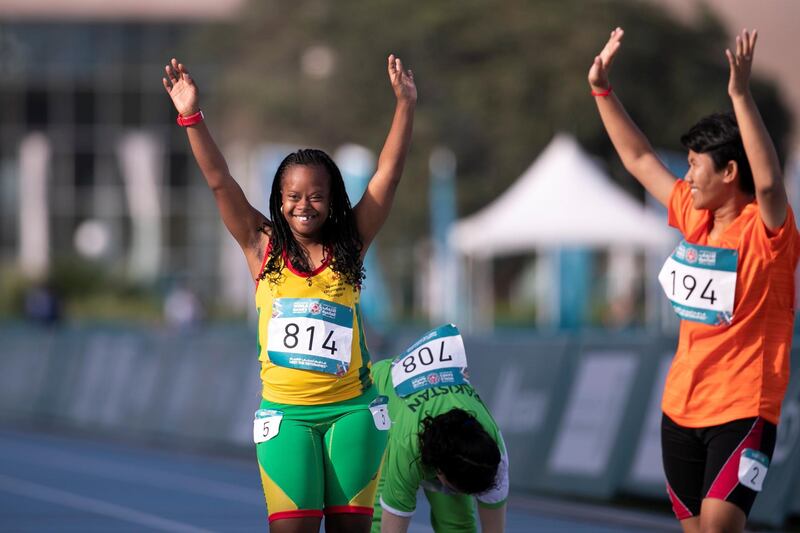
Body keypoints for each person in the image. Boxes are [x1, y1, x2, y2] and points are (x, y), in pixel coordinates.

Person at [162, 54, 416, 533]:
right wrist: (191, 116)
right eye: (294, 197)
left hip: (353, 414)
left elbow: (389, 175)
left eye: (316, 196)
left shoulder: (352, 243)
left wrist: (405, 104)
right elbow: (220, 182)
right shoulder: (262, 247)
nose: (305, 206)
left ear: (334, 199)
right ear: (279, 201)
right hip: (286, 419)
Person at [589, 28, 800, 532]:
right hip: (680, 411)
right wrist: (601, 89)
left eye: (694, 166)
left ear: (729, 173)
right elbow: (639, 159)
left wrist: (741, 96)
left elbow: (768, 181)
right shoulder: (695, 216)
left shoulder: (768, 231)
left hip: (744, 411)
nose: (684, 178)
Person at [369, 324, 508, 533]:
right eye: (460, 489)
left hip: (441, 432)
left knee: (458, 525)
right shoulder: (406, 445)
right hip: (382, 403)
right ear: (439, 471)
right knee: (377, 521)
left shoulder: (495, 454)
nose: (469, 497)